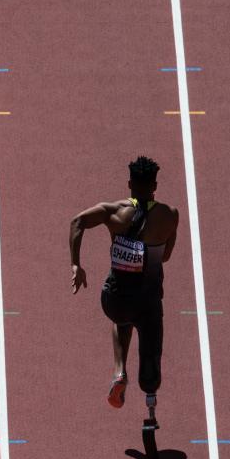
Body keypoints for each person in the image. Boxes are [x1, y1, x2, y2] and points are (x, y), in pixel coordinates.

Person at [69, 156, 179, 426]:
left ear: (130, 183)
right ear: (155, 185)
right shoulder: (170, 215)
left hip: (116, 298)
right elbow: (165, 256)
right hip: (149, 301)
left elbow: (77, 222)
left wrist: (76, 264)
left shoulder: (114, 211)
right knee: (150, 350)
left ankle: (119, 372)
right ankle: (150, 402)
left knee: (121, 320)